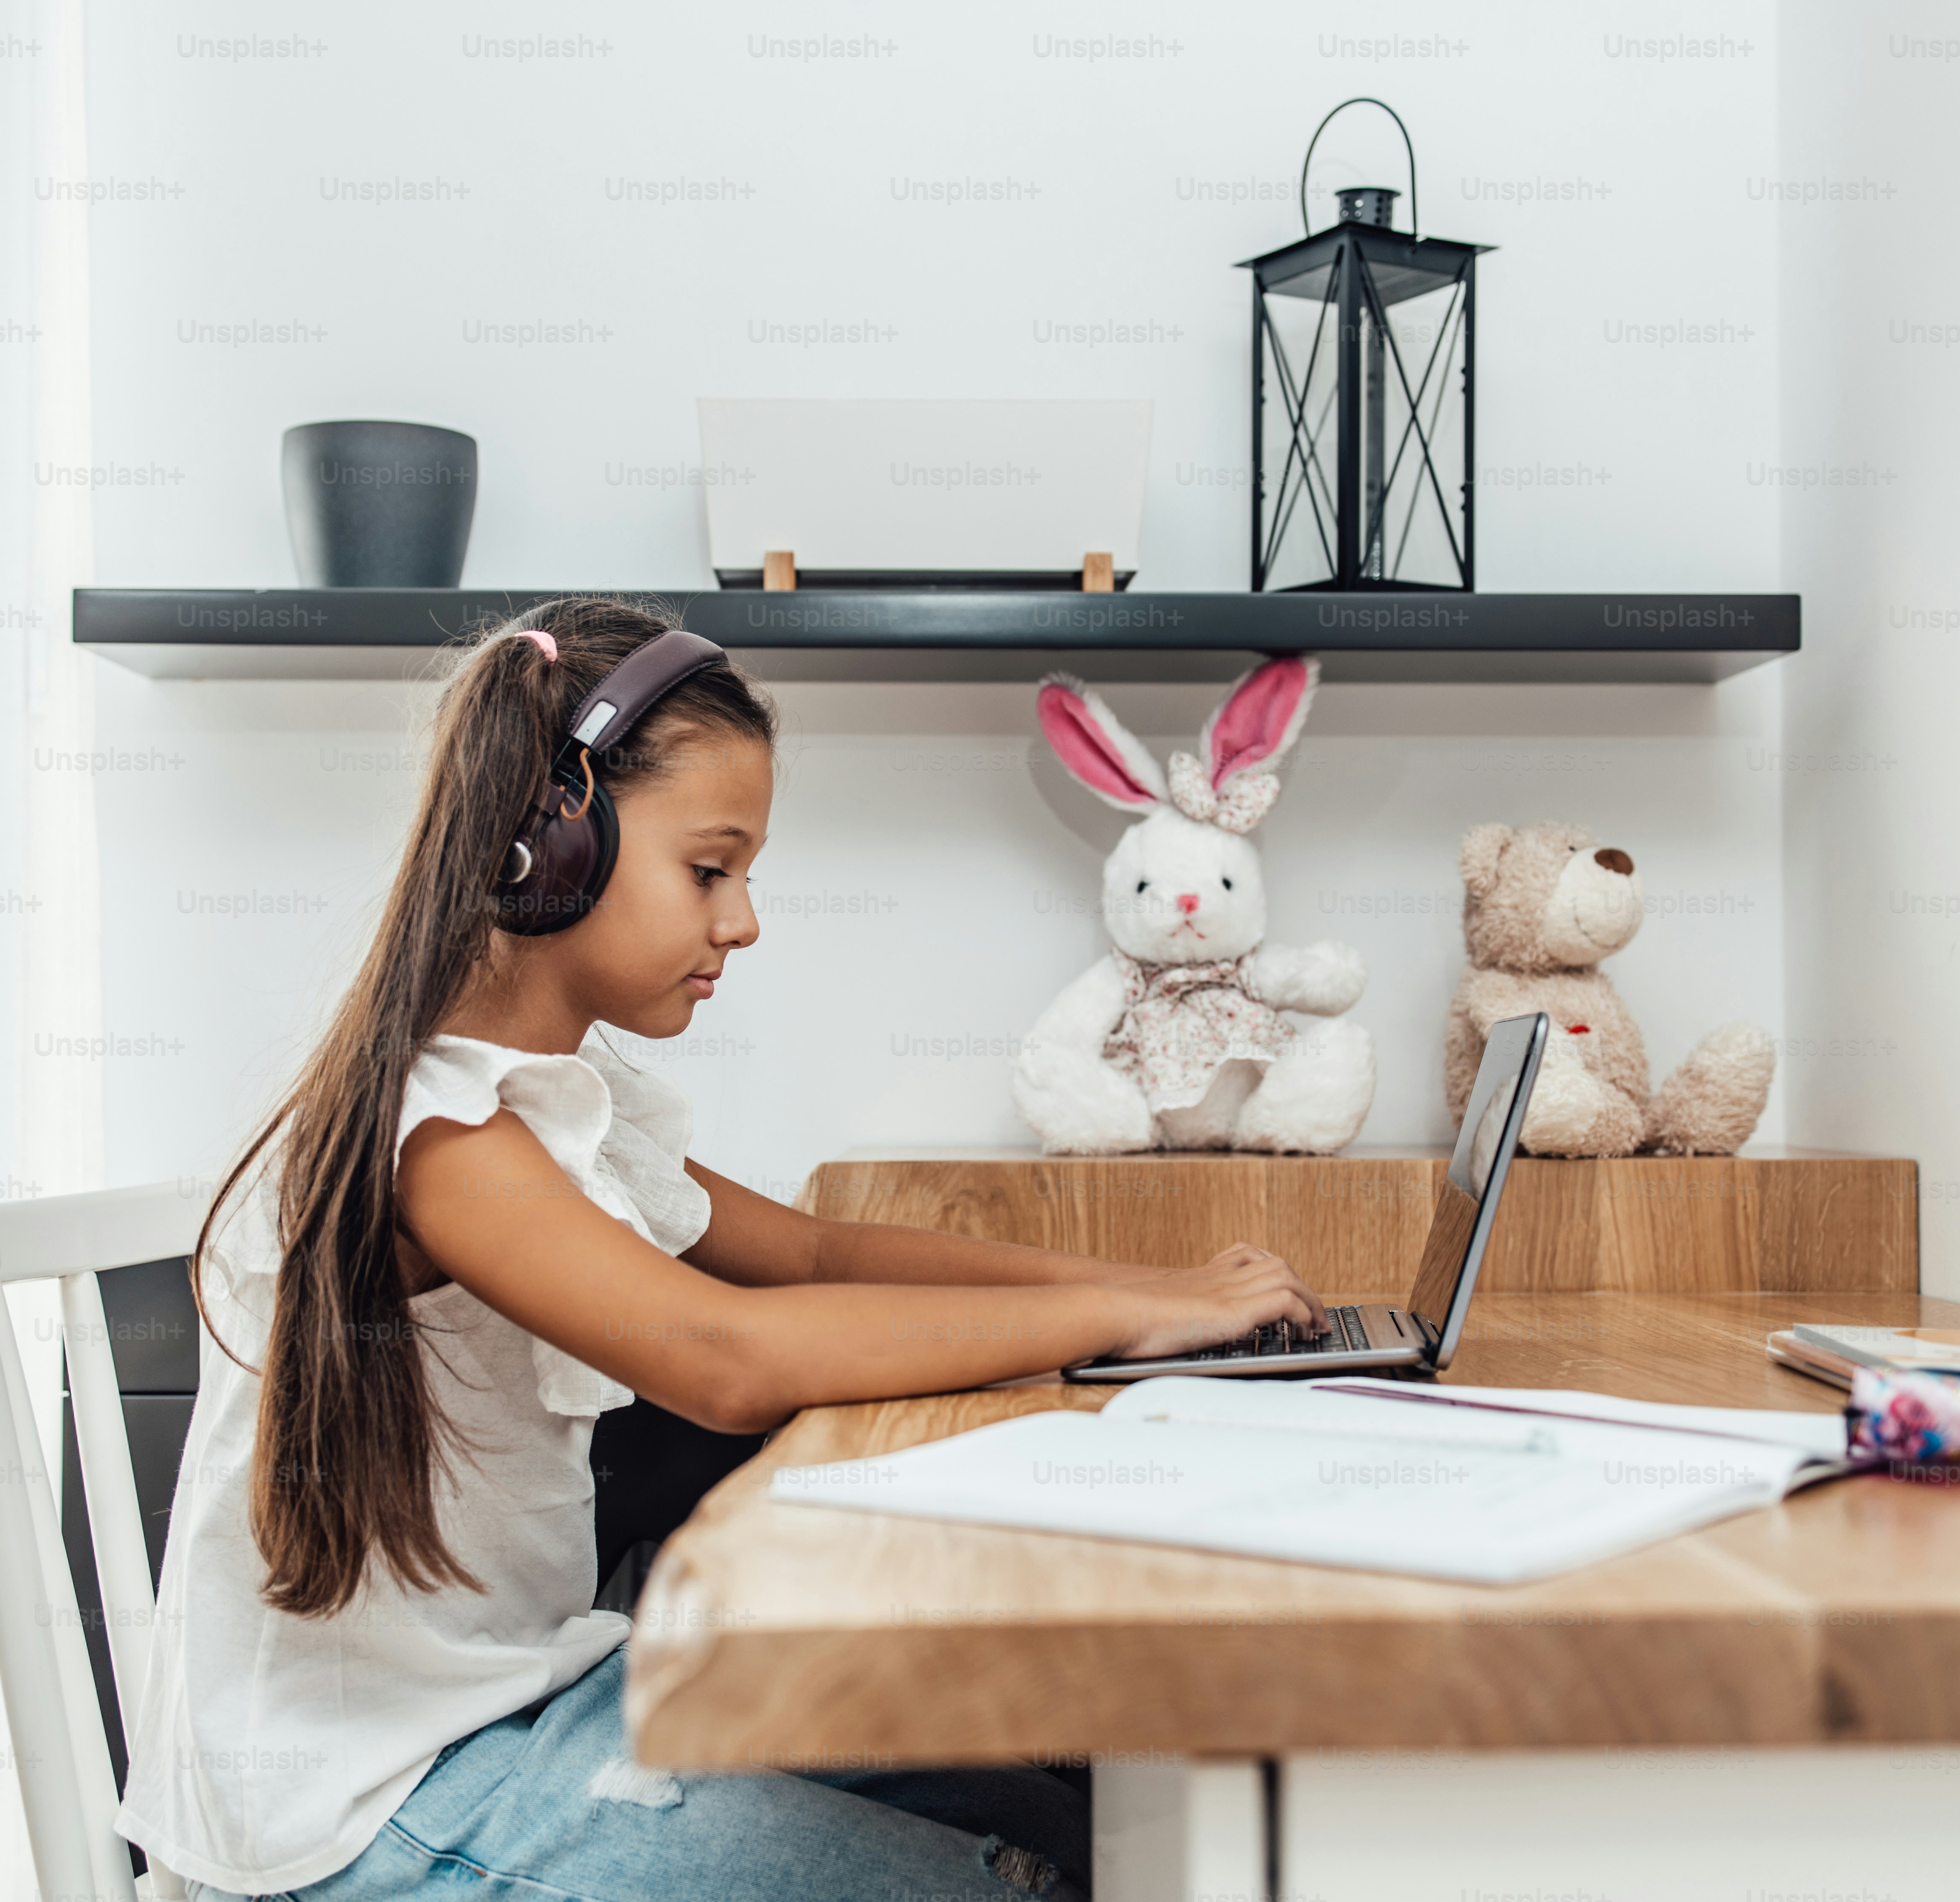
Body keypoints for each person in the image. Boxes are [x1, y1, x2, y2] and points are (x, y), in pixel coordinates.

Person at [118, 598, 1329, 1902]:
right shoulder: (443, 1139)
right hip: (365, 1802)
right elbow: (723, 1358)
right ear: (551, 846)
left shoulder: (559, 1103)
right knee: (1018, 1882)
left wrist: (1152, 1292)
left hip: (522, 1701)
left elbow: (807, 1258)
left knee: (1093, 1828)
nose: (743, 922)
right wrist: (1113, 1322)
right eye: (711, 870)